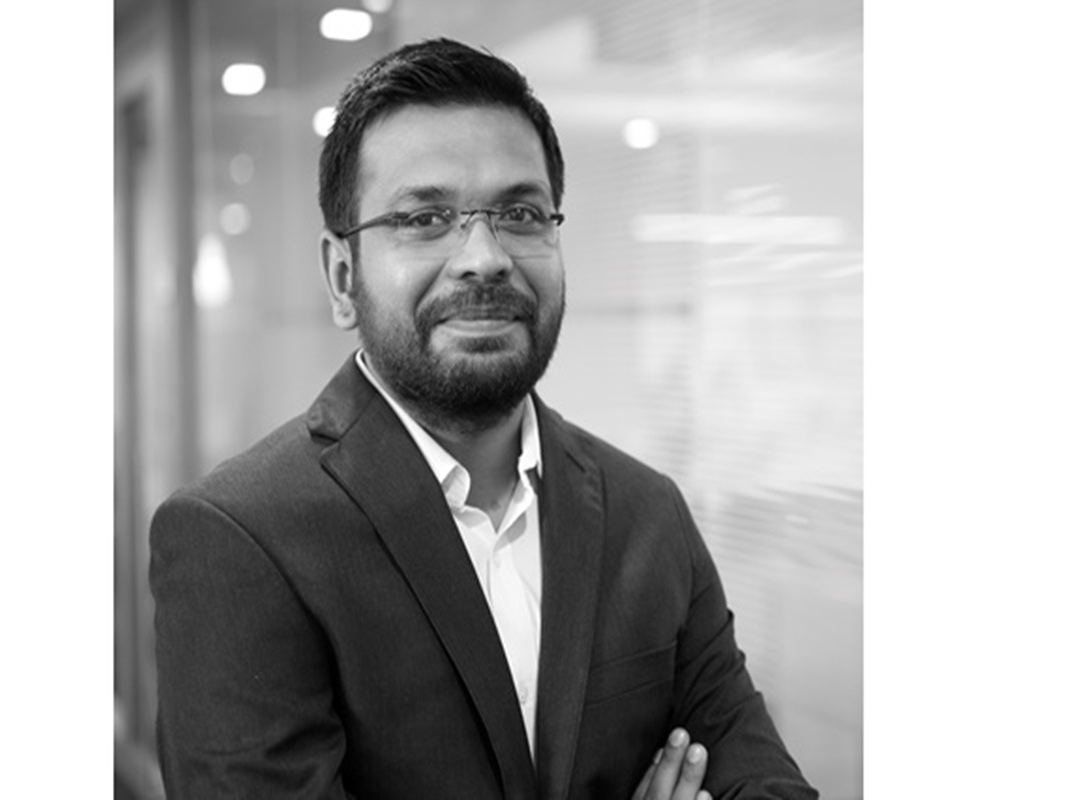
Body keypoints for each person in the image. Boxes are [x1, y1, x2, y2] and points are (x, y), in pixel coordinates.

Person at [150, 38, 817, 800]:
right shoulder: (240, 540)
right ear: (342, 276)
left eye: (520, 213)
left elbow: (765, 781)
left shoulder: (647, 513)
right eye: (425, 217)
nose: (485, 256)